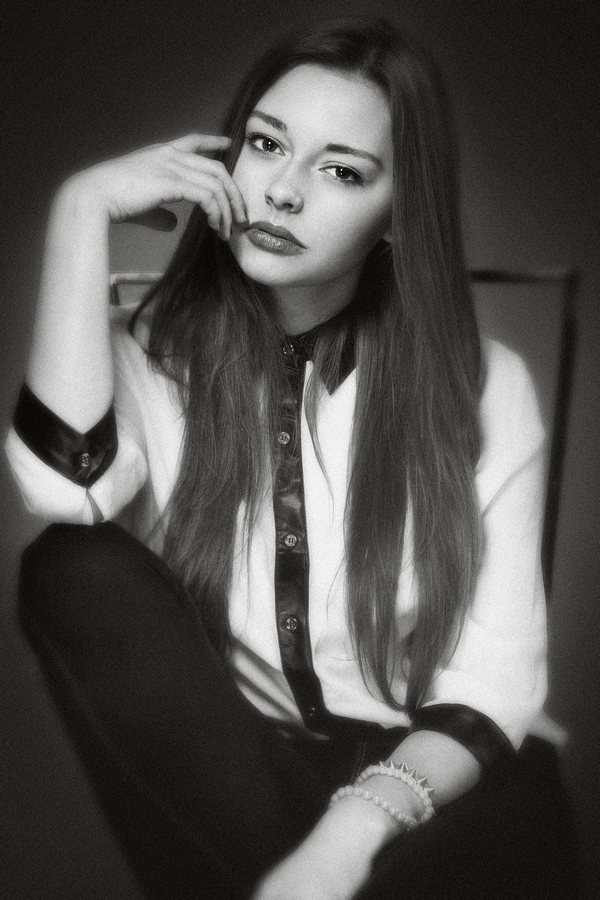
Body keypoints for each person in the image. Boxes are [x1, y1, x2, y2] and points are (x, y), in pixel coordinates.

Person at [5, 15, 578, 900]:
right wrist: (79, 209)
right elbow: (60, 489)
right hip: (244, 773)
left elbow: (492, 680)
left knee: (497, 816)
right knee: (70, 568)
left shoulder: (481, 384)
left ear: (397, 215)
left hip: (430, 779)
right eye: (267, 145)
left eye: (342, 171)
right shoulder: (148, 356)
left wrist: (350, 832)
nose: (282, 192)